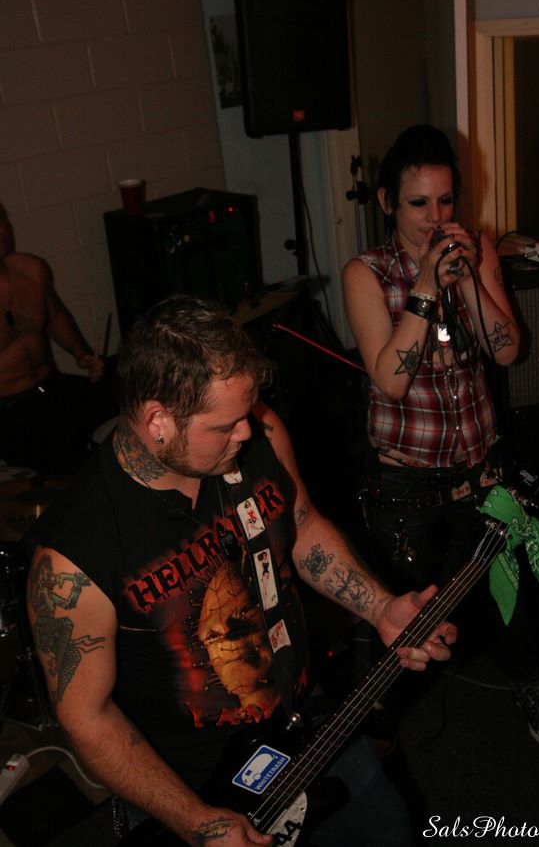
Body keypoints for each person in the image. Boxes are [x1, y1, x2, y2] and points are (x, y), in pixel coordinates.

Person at [25, 294, 456, 847]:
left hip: (307, 721)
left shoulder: (260, 432)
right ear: (157, 421)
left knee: (390, 831)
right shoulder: (73, 553)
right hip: (193, 784)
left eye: (246, 415)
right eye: (225, 425)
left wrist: (380, 606)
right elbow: (87, 718)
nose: (247, 433)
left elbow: (300, 522)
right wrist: (197, 822)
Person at [342, 124, 539, 749]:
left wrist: (467, 279)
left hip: (481, 469)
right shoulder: (367, 273)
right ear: (387, 202)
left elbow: (509, 350)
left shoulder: (476, 250)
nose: (435, 218)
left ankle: (527, 681)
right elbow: (390, 381)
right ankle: (377, 727)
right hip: (407, 484)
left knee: (508, 594)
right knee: (407, 614)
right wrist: (424, 286)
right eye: (418, 203)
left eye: (445, 201)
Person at [0, 201, 105, 474]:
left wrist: (81, 353)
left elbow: (54, 316)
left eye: (1, 221)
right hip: (9, 409)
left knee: (121, 409)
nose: (1, 231)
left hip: (51, 386)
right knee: (69, 460)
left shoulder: (31, 270)